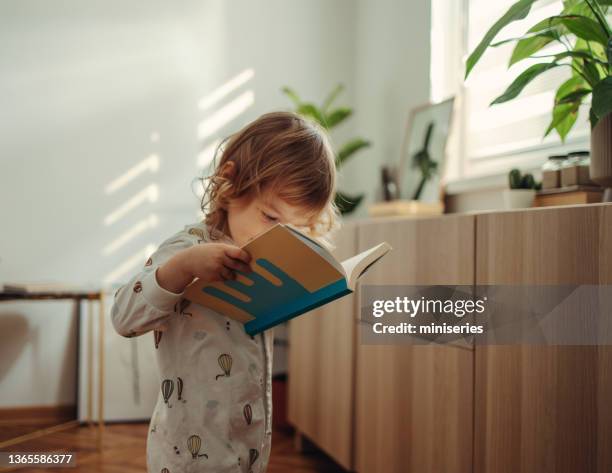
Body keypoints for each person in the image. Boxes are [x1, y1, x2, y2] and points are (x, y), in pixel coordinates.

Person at [110, 111, 341, 473]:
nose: (278, 237)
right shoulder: (188, 248)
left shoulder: (264, 258)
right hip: (187, 456)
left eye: (297, 229)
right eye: (271, 218)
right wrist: (182, 268)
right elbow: (124, 317)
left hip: (248, 448)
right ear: (230, 182)